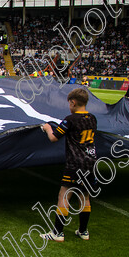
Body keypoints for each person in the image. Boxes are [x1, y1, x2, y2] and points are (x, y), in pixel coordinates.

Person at [39, 87, 97, 242]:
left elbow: (53, 138)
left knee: (64, 195)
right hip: (90, 163)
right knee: (84, 196)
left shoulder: (70, 120)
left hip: (75, 164)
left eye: (69, 104)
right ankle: (83, 231)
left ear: (73, 102)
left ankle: (57, 233)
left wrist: (47, 128)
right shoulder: (92, 118)